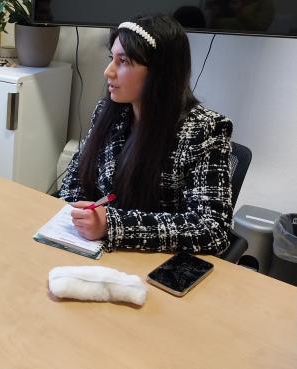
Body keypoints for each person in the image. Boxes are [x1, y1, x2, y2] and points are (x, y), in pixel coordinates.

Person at [59, 14, 233, 254]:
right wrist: (77, 212)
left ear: (160, 72)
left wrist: (112, 224)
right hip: (90, 250)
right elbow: (76, 177)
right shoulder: (107, 112)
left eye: (123, 61)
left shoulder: (205, 129)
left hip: (153, 264)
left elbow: (213, 229)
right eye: (112, 58)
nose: (108, 72)